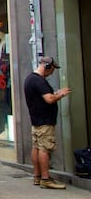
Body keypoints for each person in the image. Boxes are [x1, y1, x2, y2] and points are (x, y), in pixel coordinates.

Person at [24, 56, 69, 189]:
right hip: (45, 120)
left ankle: (37, 177)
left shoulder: (29, 79)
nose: (52, 72)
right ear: (47, 66)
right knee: (44, 149)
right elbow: (49, 99)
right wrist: (60, 94)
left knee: (36, 147)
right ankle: (45, 178)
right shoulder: (39, 81)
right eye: (52, 69)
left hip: (36, 119)